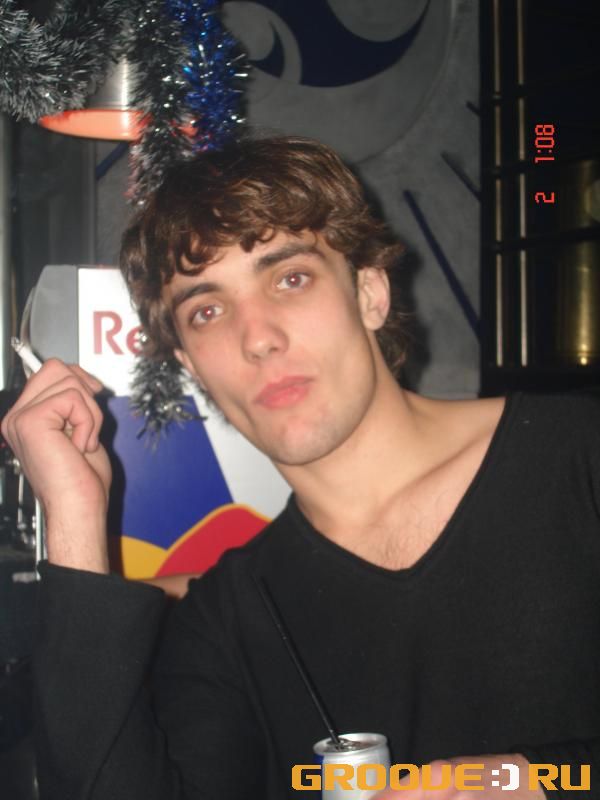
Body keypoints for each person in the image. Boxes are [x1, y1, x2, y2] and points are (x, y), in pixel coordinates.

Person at [2, 136, 599, 800]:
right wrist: (76, 518)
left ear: (369, 292)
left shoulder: (579, 459)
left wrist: (537, 780)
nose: (257, 337)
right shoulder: (229, 617)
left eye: (290, 278)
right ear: (191, 367)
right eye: (207, 311)